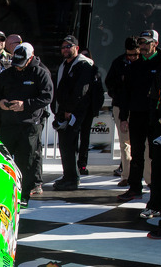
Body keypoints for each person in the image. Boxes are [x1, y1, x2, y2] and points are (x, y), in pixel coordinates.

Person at [0, 43, 54, 207]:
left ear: (30, 58)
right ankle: (0, 193)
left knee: (26, 161)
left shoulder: (41, 73)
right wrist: (0, 102)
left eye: (21, 63)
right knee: (2, 160)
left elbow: (47, 96)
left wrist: (25, 104)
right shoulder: (7, 73)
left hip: (29, 125)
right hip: (7, 124)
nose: (18, 67)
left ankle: (24, 195)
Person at [118, 29, 161, 203]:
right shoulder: (134, 65)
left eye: (146, 43)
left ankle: (155, 190)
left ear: (155, 44)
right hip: (137, 115)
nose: (142, 46)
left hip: (156, 117)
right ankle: (135, 187)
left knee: (156, 155)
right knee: (137, 153)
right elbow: (126, 93)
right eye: (141, 43)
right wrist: (123, 117)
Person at [52, 35, 95, 191]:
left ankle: (72, 178)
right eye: (63, 47)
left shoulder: (83, 65)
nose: (65, 49)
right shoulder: (65, 64)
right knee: (64, 145)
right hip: (63, 110)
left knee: (70, 145)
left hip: (75, 112)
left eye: (68, 46)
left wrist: (69, 110)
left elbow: (80, 91)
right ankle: (68, 175)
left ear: (76, 48)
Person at [105, 37, 140, 186]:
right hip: (121, 106)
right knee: (125, 143)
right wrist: (118, 93)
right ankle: (126, 175)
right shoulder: (119, 62)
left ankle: (147, 177)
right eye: (129, 55)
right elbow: (109, 82)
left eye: (135, 54)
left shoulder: (143, 63)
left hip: (140, 107)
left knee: (142, 143)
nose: (132, 57)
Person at [75, 47, 104, 176]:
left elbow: (99, 92)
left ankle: (82, 164)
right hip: (75, 109)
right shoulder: (74, 70)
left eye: (87, 56)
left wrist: (96, 108)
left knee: (85, 138)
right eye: (82, 56)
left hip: (88, 110)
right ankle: (72, 164)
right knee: (72, 138)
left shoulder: (95, 71)